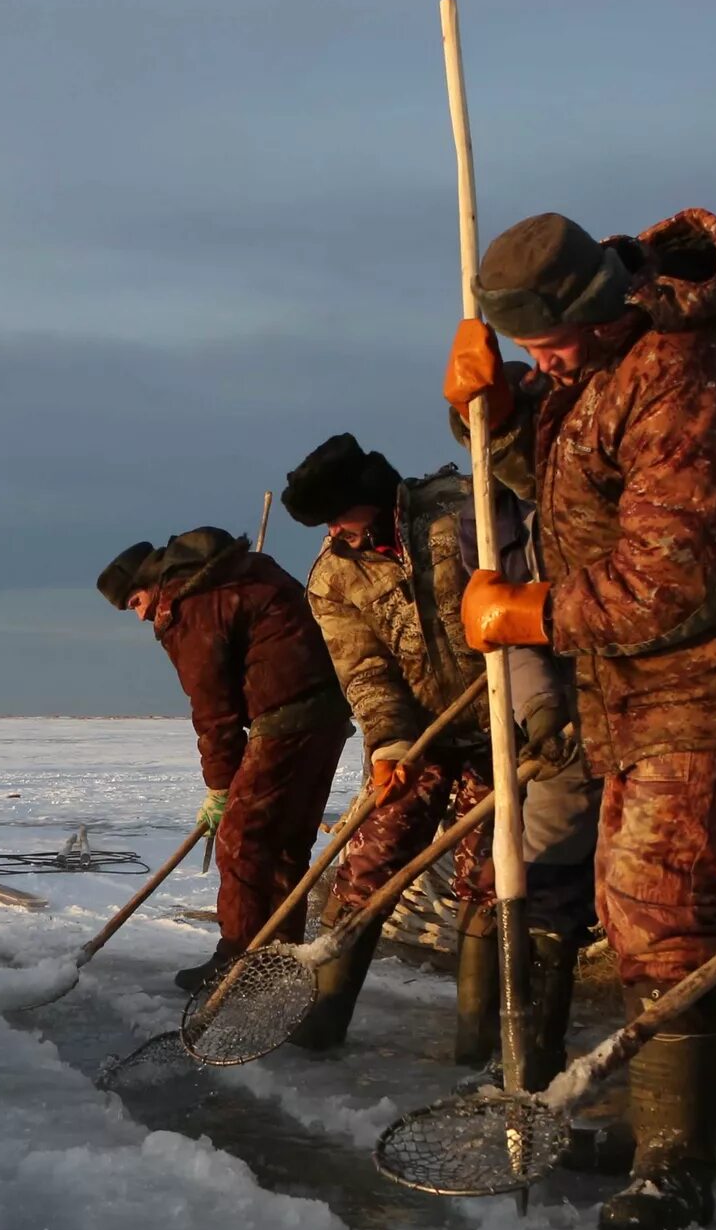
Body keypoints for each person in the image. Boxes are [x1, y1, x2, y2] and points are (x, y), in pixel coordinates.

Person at [444, 208, 716, 1230]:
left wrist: (532, 612)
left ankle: (676, 1166)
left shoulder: (695, 378)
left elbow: (678, 572)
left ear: (603, 302)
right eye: (525, 346)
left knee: (661, 904)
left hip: (702, 678)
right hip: (629, 686)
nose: (541, 358)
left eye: (547, 340)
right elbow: (571, 502)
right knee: (625, 898)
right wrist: (497, 414)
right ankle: (643, 1126)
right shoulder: (600, 372)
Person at [282, 432, 594, 1064]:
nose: (336, 532)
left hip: (502, 724)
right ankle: (324, 1016)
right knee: (373, 859)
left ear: (368, 497)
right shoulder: (334, 575)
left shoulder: (461, 511)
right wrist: (388, 744)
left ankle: (480, 1038)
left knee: (491, 874)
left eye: (339, 516)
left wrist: (536, 706)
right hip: (421, 733)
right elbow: (364, 670)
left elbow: (520, 587)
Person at [103, 528, 351, 991]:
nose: (140, 618)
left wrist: (220, 787)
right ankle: (276, 959)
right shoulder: (238, 574)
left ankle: (238, 960)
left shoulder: (189, 607)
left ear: (154, 585)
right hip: (327, 714)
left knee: (240, 838)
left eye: (136, 603)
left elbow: (214, 710)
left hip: (284, 717)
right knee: (284, 841)